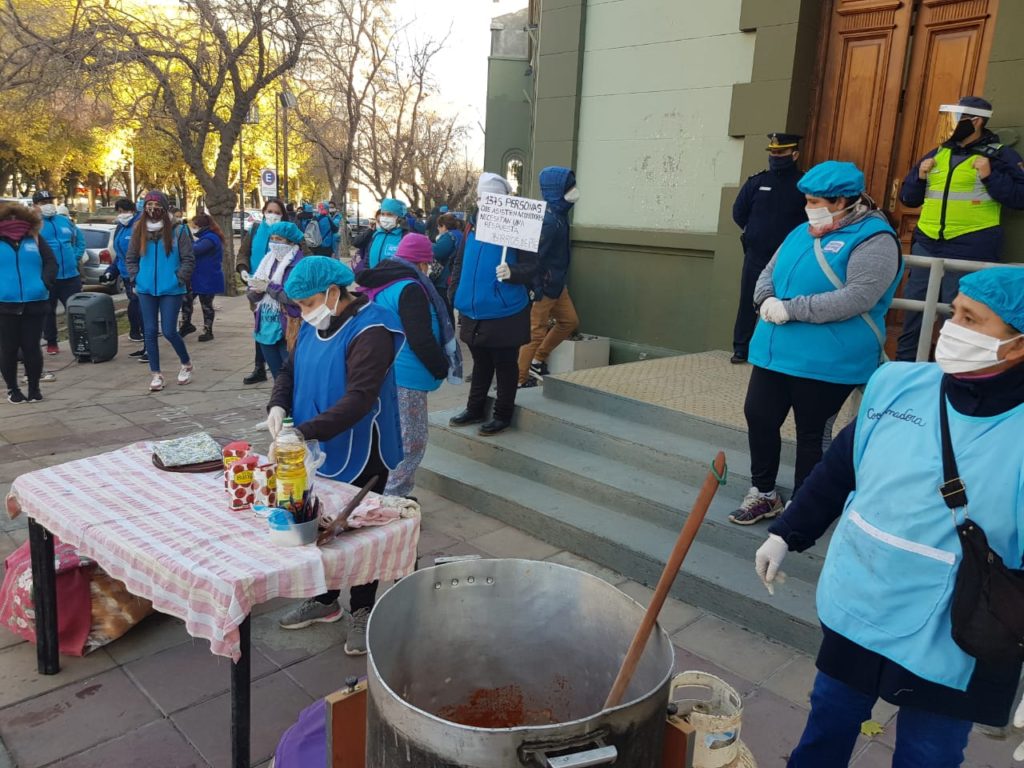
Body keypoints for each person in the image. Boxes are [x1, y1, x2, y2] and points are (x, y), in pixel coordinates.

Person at [754, 266, 1024, 767]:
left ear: (1016, 346)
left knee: (929, 753)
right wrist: (786, 534)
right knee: (827, 723)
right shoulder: (898, 385)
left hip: (954, 632)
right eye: (953, 312)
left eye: (971, 319)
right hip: (864, 600)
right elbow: (839, 470)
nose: (950, 328)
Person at [730, 161, 902, 525]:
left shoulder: (875, 239)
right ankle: (764, 492)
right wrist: (765, 301)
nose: (809, 207)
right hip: (775, 353)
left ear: (843, 200)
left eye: (816, 200)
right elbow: (767, 272)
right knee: (759, 416)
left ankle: (806, 504)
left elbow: (858, 297)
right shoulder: (802, 231)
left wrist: (790, 310)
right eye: (807, 199)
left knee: (811, 435)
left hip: (829, 358)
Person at [268, 257, 404, 656]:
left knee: (360, 530)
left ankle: (363, 609)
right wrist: (277, 407)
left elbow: (361, 398)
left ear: (335, 292)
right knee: (322, 521)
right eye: (299, 306)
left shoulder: (373, 327)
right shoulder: (313, 326)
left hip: (363, 446)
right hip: (317, 445)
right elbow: (289, 372)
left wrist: (302, 431)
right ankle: (327, 600)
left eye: (310, 303)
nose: (305, 312)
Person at [897, 96, 1024, 361]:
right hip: (927, 243)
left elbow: (1019, 198)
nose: (949, 126)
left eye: (955, 120)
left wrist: (991, 176)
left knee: (958, 316)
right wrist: (920, 176)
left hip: (971, 245)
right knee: (914, 312)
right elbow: (908, 198)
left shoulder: (1000, 155)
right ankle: (905, 367)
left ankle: (950, 372)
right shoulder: (937, 152)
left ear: (975, 121)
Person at [360, 233, 453, 498]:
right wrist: (440, 366)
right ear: (421, 262)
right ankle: (393, 498)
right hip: (406, 374)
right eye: (428, 262)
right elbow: (420, 337)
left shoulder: (383, 280)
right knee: (412, 441)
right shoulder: (409, 287)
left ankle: (385, 492)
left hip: (385, 369)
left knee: (390, 436)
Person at [449, 172, 537, 436]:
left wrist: (514, 272)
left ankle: (502, 414)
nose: (483, 202)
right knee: (481, 361)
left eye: (489, 197)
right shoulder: (471, 228)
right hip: (474, 308)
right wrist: (455, 291)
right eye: (480, 197)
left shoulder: (519, 228)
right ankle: (474, 408)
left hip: (505, 310)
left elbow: (533, 267)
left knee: (505, 364)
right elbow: (460, 262)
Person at [731, 133, 808, 364]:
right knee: (748, 302)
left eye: (781, 152)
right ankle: (741, 348)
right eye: (773, 152)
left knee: (786, 302)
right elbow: (738, 213)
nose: (775, 156)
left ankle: (779, 352)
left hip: (789, 257)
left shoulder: (804, 185)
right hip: (757, 255)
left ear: (794, 154)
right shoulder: (757, 182)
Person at [517, 166, 580, 388]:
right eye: (569, 187)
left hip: (557, 285)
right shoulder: (549, 221)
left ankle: (537, 360)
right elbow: (535, 258)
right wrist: (537, 287)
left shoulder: (559, 216)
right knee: (533, 334)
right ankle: (518, 379)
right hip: (544, 287)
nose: (574, 191)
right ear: (557, 190)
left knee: (569, 322)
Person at [125, 190, 195, 392]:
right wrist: (135, 278)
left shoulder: (178, 231)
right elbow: (131, 258)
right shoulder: (139, 229)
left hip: (171, 289)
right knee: (149, 331)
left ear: (164, 208)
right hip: (146, 288)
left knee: (169, 330)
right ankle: (156, 373)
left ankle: (186, 363)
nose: (152, 208)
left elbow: (188, 259)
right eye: (149, 205)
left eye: (156, 205)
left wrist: (178, 278)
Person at [0, 202, 57, 403]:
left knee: (32, 347)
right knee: (8, 349)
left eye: (18, 219)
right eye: (9, 219)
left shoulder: (35, 239)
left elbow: (51, 262)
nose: (14, 223)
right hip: (5, 305)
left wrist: (45, 282)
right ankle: (13, 389)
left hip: (35, 302)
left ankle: (34, 388)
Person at [237, 197, 287, 385]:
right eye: (269, 211)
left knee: (280, 325)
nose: (272, 215)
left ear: (283, 215)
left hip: (279, 289)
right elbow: (243, 252)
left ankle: (282, 366)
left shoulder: (287, 231)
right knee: (261, 325)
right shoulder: (256, 230)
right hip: (257, 288)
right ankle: (260, 367)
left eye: (277, 212)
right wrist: (242, 269)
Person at [247, 222, 306, 378]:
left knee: (292, 376)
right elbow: (253, 295)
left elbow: (296, 298)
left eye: (279, 239)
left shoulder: (300, 264)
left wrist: (269, 288)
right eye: (272, 238)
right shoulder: (267, 260)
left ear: (291, 242)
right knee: (277, 377)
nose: (274, 243)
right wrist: (255, 289)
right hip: (265, 326)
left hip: (288, 326)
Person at [33, 190, 84, 356]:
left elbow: (79, 240)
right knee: (48, 311)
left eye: (50, 200)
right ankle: (52, 341)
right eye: (43, 202)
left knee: (77, 310)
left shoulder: (64, 221)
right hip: (48, 276)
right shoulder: (33, 224)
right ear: (35, 206)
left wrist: (75, 257)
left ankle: (80, 340)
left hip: (71, 274)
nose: (48, 204)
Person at [179, 213, 225, 342]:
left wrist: (183, 243)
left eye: (193, 225)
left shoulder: (210, 238)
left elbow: (194, 250)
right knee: (186, 299)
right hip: (198, 277)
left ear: (200, 226)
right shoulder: (206, 237)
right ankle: (186, 325)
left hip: (207, 277)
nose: (192, 228)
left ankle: (207, 330)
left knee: (206, 304)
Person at [109, 198, 144, 347]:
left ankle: (141, 330)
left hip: (139, 271)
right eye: (120, 212)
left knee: (138, 302)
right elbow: (120, 253)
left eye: (125, 211)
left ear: (133, 210)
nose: (122, 215)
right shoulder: (120, 227)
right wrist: (111, 270)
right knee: (135, 301)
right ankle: (136, 331)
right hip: (125, 272)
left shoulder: (139, 225)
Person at [352, 198, 408, 273]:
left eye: (389, 214)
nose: (385, 217)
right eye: (383, 214)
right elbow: (368, 258)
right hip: (373, 280)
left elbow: (408, 265)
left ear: (399, 218)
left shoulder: (405, 237)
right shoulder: (376, 234)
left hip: (394, 282)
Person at [430, 212, 462, 324]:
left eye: (439, 226)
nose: (438, 229)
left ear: (444, 226)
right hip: (455, 276)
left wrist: (430, 244)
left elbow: (437, 252)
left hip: (445, 279)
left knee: (445, 311)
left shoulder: (449, 237)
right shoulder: (460, 234)